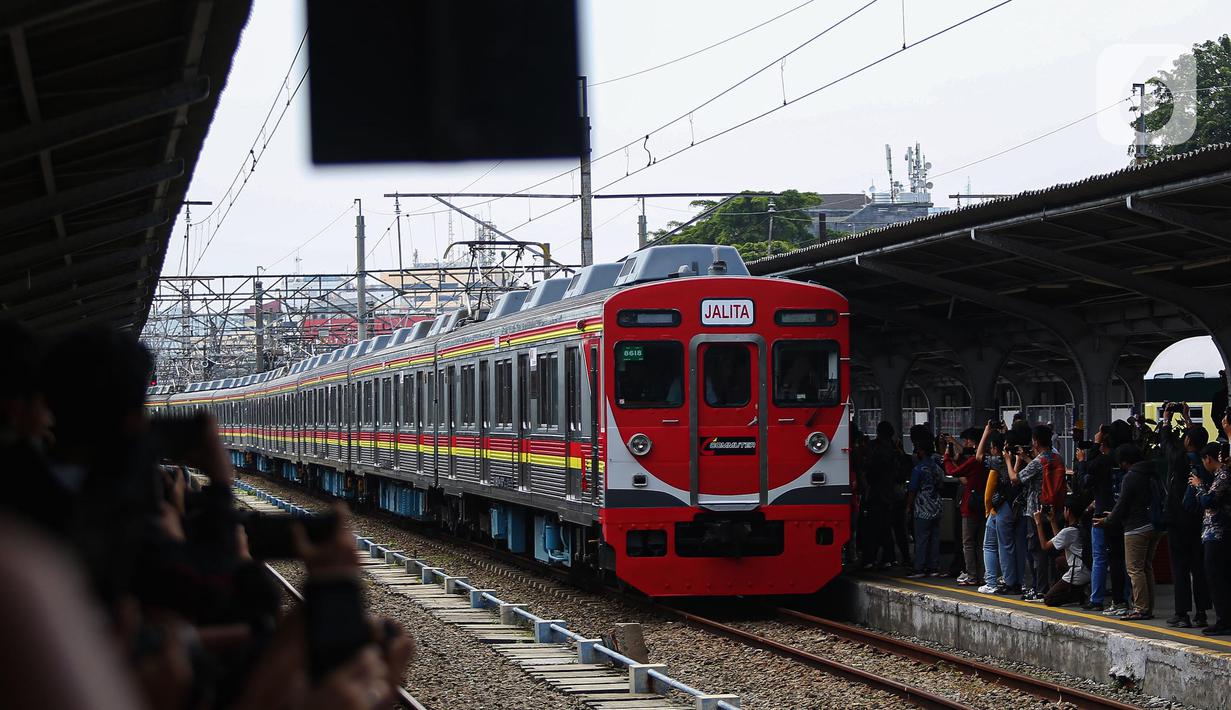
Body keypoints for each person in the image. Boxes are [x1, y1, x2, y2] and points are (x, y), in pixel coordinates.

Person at [1098, 444, 1162, 621]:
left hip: (1136, 527)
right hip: (1153, 525)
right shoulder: (1151, 471)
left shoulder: (1131, 476)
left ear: (1125, 462)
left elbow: (1122, 504)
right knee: (1146, 567)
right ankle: (1147, 607)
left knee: (1134, 570)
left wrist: (1108, 520)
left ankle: (1140, 608)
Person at [1160, 408, 1211, 628]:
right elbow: (1196, 440)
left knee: (1180, 567)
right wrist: (1189, 421)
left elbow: (1166, 444)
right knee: (1199, 567)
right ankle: (1201, 612)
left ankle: (1182, 613)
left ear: (1187, 439)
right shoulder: (1206, 462)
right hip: (1199, 520)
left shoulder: (1178, 458)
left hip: (1177, 520)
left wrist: (1166, 420)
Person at [1008, 424, 1064, 602]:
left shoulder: (1038, 462)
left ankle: (1039, 590)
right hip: (1053, 509)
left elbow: (1015, 479)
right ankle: (1054, 586)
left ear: (1035, 441)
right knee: (1053, 548)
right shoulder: (1057, 458)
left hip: (1035, 511)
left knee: (1037, 550)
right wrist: (1025, 458)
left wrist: (1009, 461)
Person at [1187, 440, 1231, 635]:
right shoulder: (1220, 475)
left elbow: (1208, 501)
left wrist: (1199, 486)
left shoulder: (1223, 475)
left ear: (1208, 458)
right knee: (1217, 576)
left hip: (1218, 532)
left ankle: (1224, 621)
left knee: (1216, 577)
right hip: (1214, 533)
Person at [1077, 430, 1122, 612]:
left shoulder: (1100, 462)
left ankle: (1097, 598)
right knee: (1119, 558)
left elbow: (1085, 480)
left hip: (1101, 512)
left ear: (1103, 445)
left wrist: (1082, 461)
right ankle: (1123, 598)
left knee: (1099, 557)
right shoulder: (1120, 460)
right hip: (1118, 512)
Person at [978, 425, 1022, 595]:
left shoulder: (1000, 461)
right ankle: (1011, 581)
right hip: (1016, 506)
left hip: (1002, 506)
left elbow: (979, 457)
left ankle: (1006, 582)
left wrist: (987, 431)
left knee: (1001, 546)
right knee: (1013, 546)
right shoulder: (1026, 458)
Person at [943, 427, 987, 587]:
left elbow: (952, 471)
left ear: (975, 443)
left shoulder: (975, 461)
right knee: (982, 544)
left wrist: (947, 457)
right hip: (985, 505)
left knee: (968, 543)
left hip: (970, 506)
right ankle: (983, 575)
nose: (965, 444)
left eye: (967, 441)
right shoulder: (989, 460)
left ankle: (972, 575)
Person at [1032, 499, 1091, 607]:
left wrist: (1038, 523)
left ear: (1068, 512)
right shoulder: (1079, 527)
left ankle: (1076, 595)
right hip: (1087, 568)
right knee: (1060, 561)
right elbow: (1060, 541)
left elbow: (1044, 546)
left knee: (1049, 599)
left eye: (1064, 509)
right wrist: (1052, 521)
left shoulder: (1068, 531)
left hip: (1079, 572)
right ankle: (1078, 589)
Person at [906, 441, 944, 578]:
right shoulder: (937, 468)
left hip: (922, 506)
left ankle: (919, 567)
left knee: (921, 538)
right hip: (936, 505)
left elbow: (912, 490)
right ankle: (933, 566)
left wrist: (908, 507)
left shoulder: (918, 469)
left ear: (921, 451)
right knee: (934, 537)